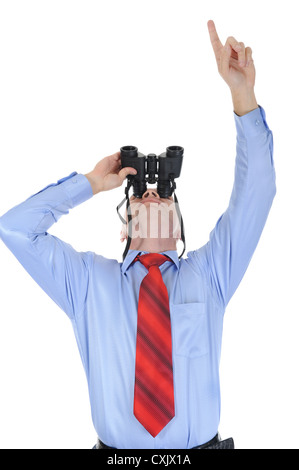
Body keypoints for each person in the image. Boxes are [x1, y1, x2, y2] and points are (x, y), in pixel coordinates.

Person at [0, 20, 276, 449]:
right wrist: (89, 182)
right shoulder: (89, 283)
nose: (151, 193)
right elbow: (15, 229)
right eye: (140, 194)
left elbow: (258, 192)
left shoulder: (209, 274)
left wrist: (242, 94)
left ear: (180, 221)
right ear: (123, 224)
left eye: (163, 191)